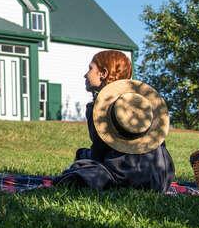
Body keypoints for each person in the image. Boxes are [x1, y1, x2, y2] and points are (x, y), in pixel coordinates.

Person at [55, 50, 176, 192]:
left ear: (103, 73)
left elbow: (98, 153)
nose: (85, 75)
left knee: (82, 161)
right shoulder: (138, 102)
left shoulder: (100, 109)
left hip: (129, 175)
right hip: (160, 177)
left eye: (90, 69)